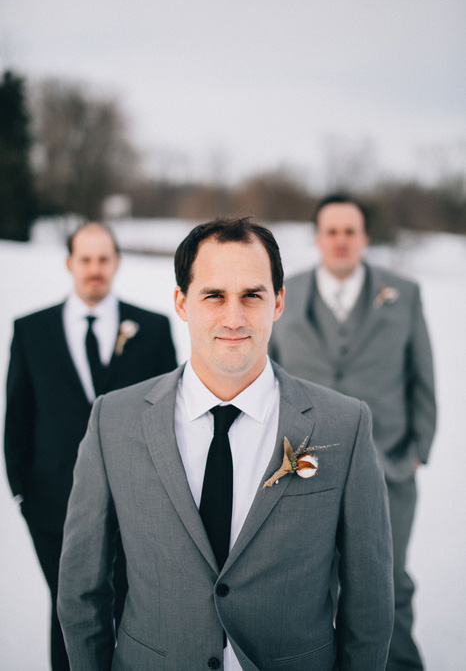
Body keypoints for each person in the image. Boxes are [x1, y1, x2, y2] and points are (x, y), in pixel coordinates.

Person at [58, 216, 393, 671]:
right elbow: (82, 591)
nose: (233, 318)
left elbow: (369, 599)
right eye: (214, 295)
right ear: (182, 302)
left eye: (252, 295)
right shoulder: (113, 420)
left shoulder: (344, 425)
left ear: (277, 302)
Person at [270, 194, 436, 670]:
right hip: (302, 467)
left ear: (364, 237)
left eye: (351, 231)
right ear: (318, 236)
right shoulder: (285, 291)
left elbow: (422, 374)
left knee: (386, 582)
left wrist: (418, 449)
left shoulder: (402, 292)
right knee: (310, 583)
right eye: (332, 231)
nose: (341, 240)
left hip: (389, 466)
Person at [4, 222, 177, 671]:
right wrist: (24, 494)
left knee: (131, 607)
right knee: (69, 608)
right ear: (69, 264)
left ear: (117, 262)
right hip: (51, 505)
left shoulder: (154, 329)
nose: (95, 269)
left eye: (103, 259)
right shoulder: (31, 331)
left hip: (135, 504)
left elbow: (170, 416)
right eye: (85, 259)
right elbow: (17, 420)